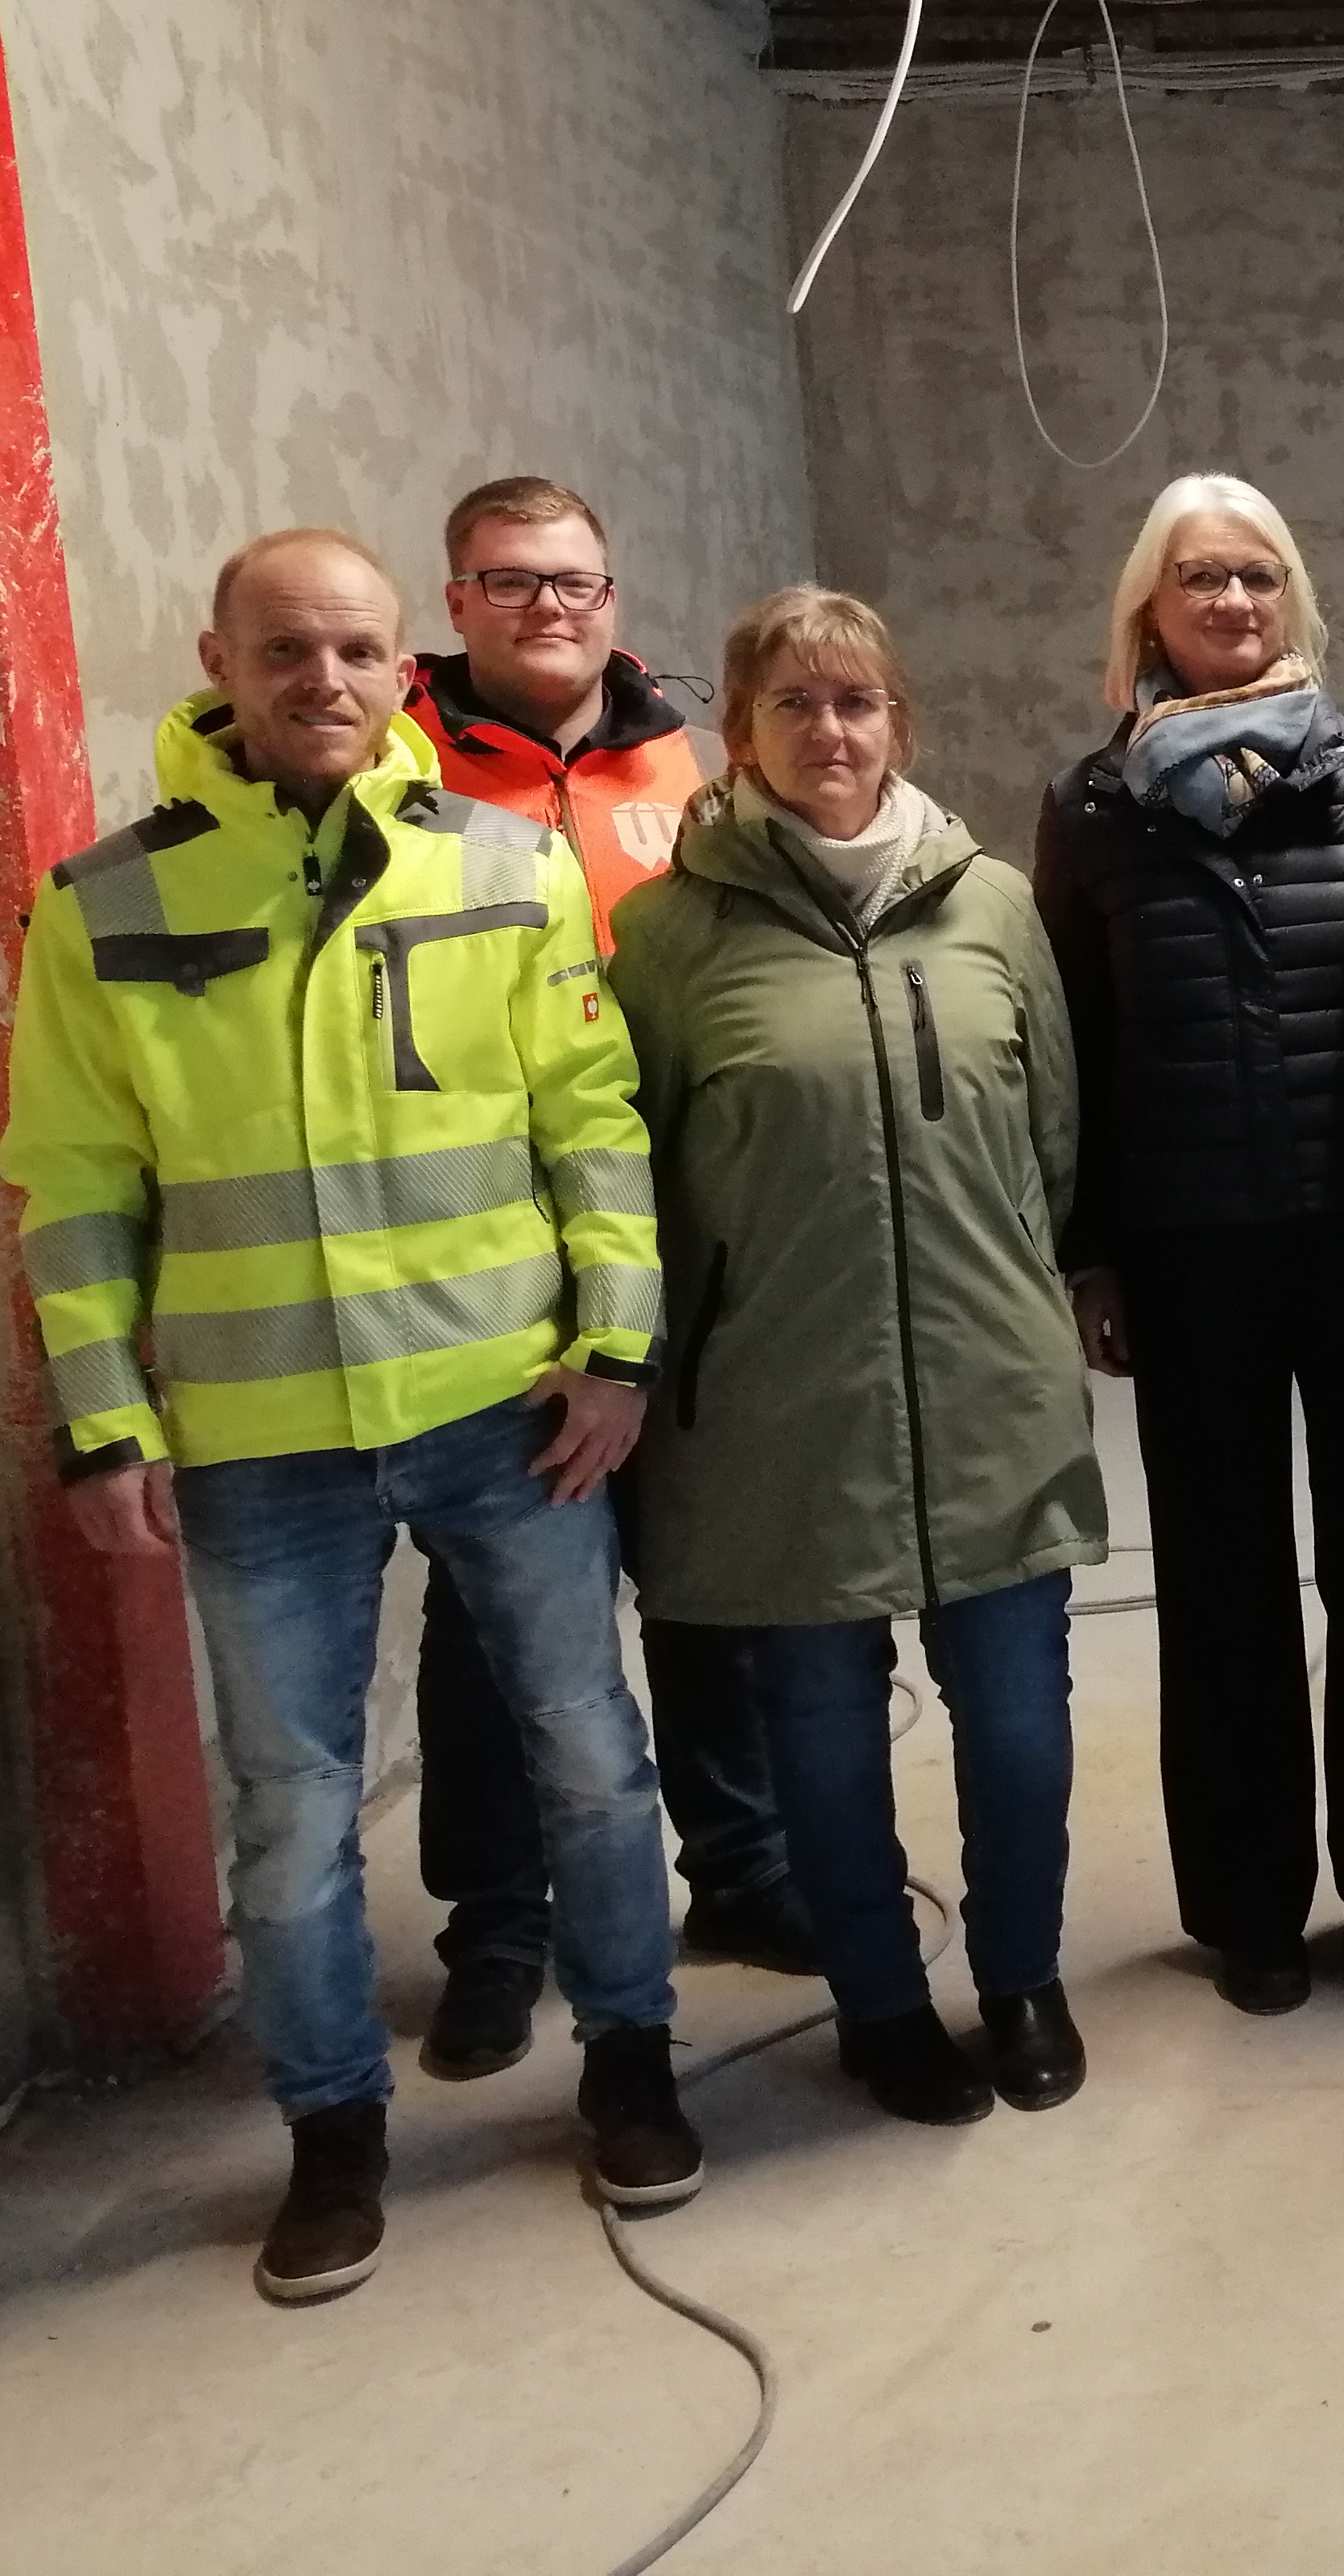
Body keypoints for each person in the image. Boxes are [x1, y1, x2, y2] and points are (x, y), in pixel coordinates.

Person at [0, 529, 699, 2305]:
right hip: (258, 1439)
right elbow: (73, 1184)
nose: (325, 682)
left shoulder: (514, 865)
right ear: (219, 660)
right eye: (287, 651)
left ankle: (628, 2058)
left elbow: (590, 1124)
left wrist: (615, 1350)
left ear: (406, 670)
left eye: (358, 652)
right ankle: (333, 2133)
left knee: (594, 1760)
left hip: (503, 1402)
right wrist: (100, 1420)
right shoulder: (110, 906)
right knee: (292, 1813)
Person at [616, 588, 1110, 2128]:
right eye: (795, 706)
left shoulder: (995, 906)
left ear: (900, 720)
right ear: (741, 733)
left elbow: (1055, 1135)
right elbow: (635, 1167)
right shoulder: (668, 934)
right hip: (781, 1400)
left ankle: (1022, 1980)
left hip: (987, 1385)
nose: (829, 734)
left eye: (858, 704)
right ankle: (882, 2008)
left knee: (1019, 1719)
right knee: (821, 1736)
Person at [399, 475, 808, 2090]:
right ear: (460, 600)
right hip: (493, 1248)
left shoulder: (676, 762)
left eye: (575, 582)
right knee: (497, 1608)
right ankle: (498, 1931)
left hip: (676, 1229)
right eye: (512, 584)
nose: (549, 609)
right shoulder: (405, 760)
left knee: (702, 1573)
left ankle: (742, 1869)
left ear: (613, 599)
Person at [1036, 473, 1344, 2015]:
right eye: (1200, 579)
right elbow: (1078, 1041)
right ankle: (1250, 1906)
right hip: (1192, 1245)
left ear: (1296, 599)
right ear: (1147, 608)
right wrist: (1094, 1256)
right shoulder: (1094, 806)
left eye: (1258, 577)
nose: (1231, 603)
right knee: (1221, 1585)